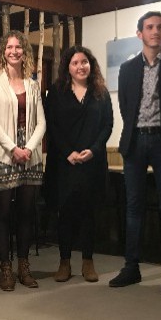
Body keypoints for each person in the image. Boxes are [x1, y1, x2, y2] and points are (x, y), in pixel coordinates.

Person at [109, 11, 161, 295]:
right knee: (133, 207)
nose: (154, 31)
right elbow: (126, 108)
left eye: (159, 27)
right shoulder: (128, 68)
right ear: (139, 33)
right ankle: (131, 267)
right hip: (135, 142)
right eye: (149, 27)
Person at [45, 45, 113, 283]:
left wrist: (93, 151)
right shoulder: (56, 92)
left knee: (88, 213)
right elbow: (51, 125)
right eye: (75, 63)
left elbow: (108, 125)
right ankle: (64, 262)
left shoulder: (100, 93)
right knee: (66, 213)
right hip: (65, 163)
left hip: (92, 163)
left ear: (90, 64)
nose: (80, 66)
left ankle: (88, 261)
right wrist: (68, 153)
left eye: (84, 62)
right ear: (68, 67)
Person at [0, 30, 46, 291]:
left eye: (18, 47)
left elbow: (42, 122)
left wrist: (29, 148)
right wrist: (13, 149)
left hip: (31, 157)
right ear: (3, 51)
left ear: (24, 52)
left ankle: (23, 266)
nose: (14, 51)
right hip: (4, 154)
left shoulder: (33, 84)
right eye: (9, 47)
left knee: (25, 213)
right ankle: (5, 268)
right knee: (3, 213)